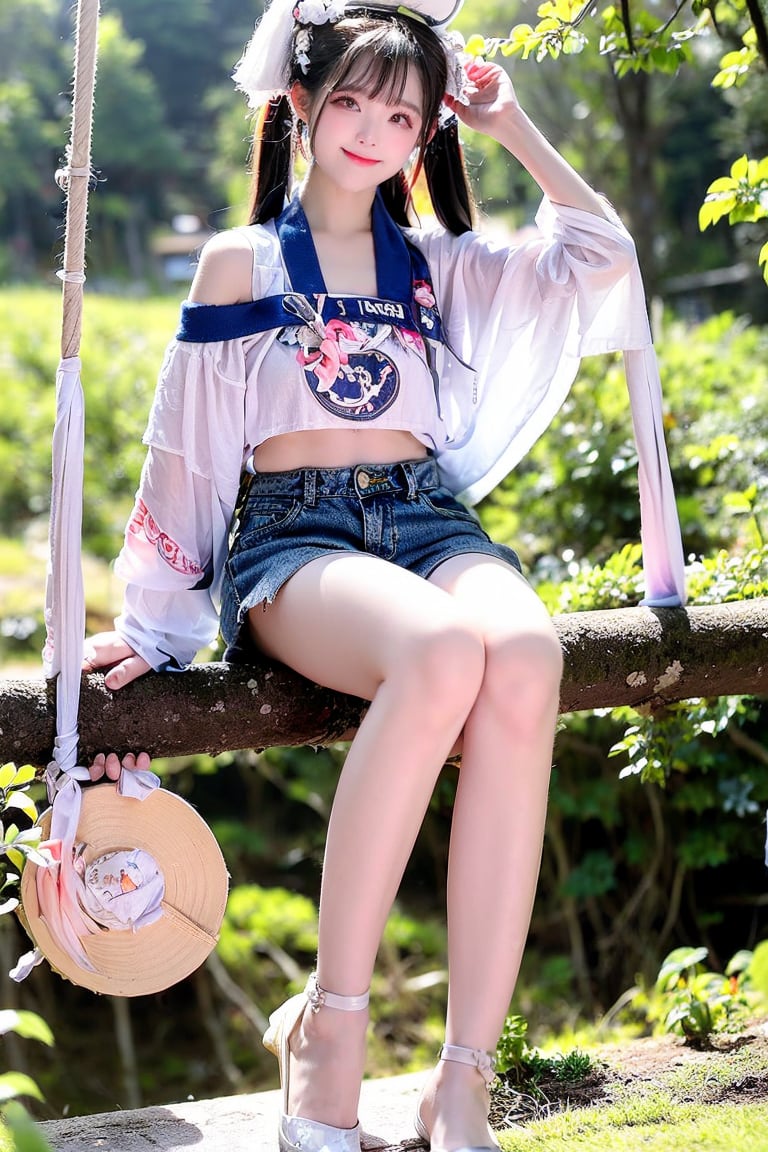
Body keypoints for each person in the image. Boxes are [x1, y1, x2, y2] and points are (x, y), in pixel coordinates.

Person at [83, 2, 685, 1149]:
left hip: (426, 522)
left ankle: (463, 1080)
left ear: (423, 136)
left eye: (400, 111)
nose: (370, 128)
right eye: (349, 99)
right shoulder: (239, 262)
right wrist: (152, 632)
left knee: (526, 652)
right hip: (294, 540)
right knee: (447, 649)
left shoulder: (441, 265)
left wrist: (511, 127)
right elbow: (188, 450)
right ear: (301, 106)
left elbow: (602, 256)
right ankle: (331, 1038)